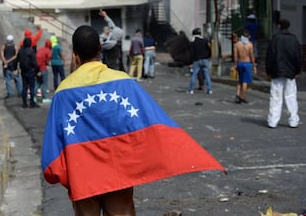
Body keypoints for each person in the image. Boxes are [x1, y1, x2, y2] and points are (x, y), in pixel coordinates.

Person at [41, 25, 225, 215]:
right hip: (118, 173)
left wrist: (65, 176)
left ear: (75, 55)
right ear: (100, 49)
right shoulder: (123, 81)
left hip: (83, 177)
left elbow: (53, 147)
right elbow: (150, 123)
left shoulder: (63, 91)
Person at [266, 19, 301, 128]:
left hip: (277, 72)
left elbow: (270, 56)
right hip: (290, 72)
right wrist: (297, 70)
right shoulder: (294, 39)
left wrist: (269, 71)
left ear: (279, 26)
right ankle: (293, 120)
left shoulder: (275, 38)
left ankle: (273, 121)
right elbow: (298, 57)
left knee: (276, 97)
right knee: (291, 97)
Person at [233, 30, 256, 104]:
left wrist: (235, 64)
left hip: (240, 63)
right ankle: (243, 97)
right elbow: (252, 56)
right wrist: (254, 65)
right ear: (248, 37)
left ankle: (237, 95)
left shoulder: (237, 44)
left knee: (240, 80)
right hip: (247, 63)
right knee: (245, 81)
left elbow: (235, 56)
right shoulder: (250, 45)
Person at [187, 28, 212, 94]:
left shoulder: (193, 42)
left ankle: (191, 89)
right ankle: (209, 90)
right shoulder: (205, 40)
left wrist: (190, 62)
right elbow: (209, 49)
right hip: (205, 60)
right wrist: (209, 56)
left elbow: (191, 53)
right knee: (207, 75)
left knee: (194, 75)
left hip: (197, 60)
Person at [17, 37, 41, 108]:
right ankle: (32, 102)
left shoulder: (20, 51)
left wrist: (15, 68)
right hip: (30, 70)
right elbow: (34, 62)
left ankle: (24, 103)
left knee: (24, 87)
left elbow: (17, 60)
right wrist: (37, 70)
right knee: (32, 87)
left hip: (23, 71)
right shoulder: (31, 51)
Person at [0, 34, 22, 99]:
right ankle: (20, 92)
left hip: (6, 66)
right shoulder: (15, 47)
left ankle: (10, 93)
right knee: (17, 79)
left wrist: (5, 62)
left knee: (7, 80)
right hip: (13, 66)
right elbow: (16, 56)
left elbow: (2, 55)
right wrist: (8, 61)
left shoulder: (3, 46)